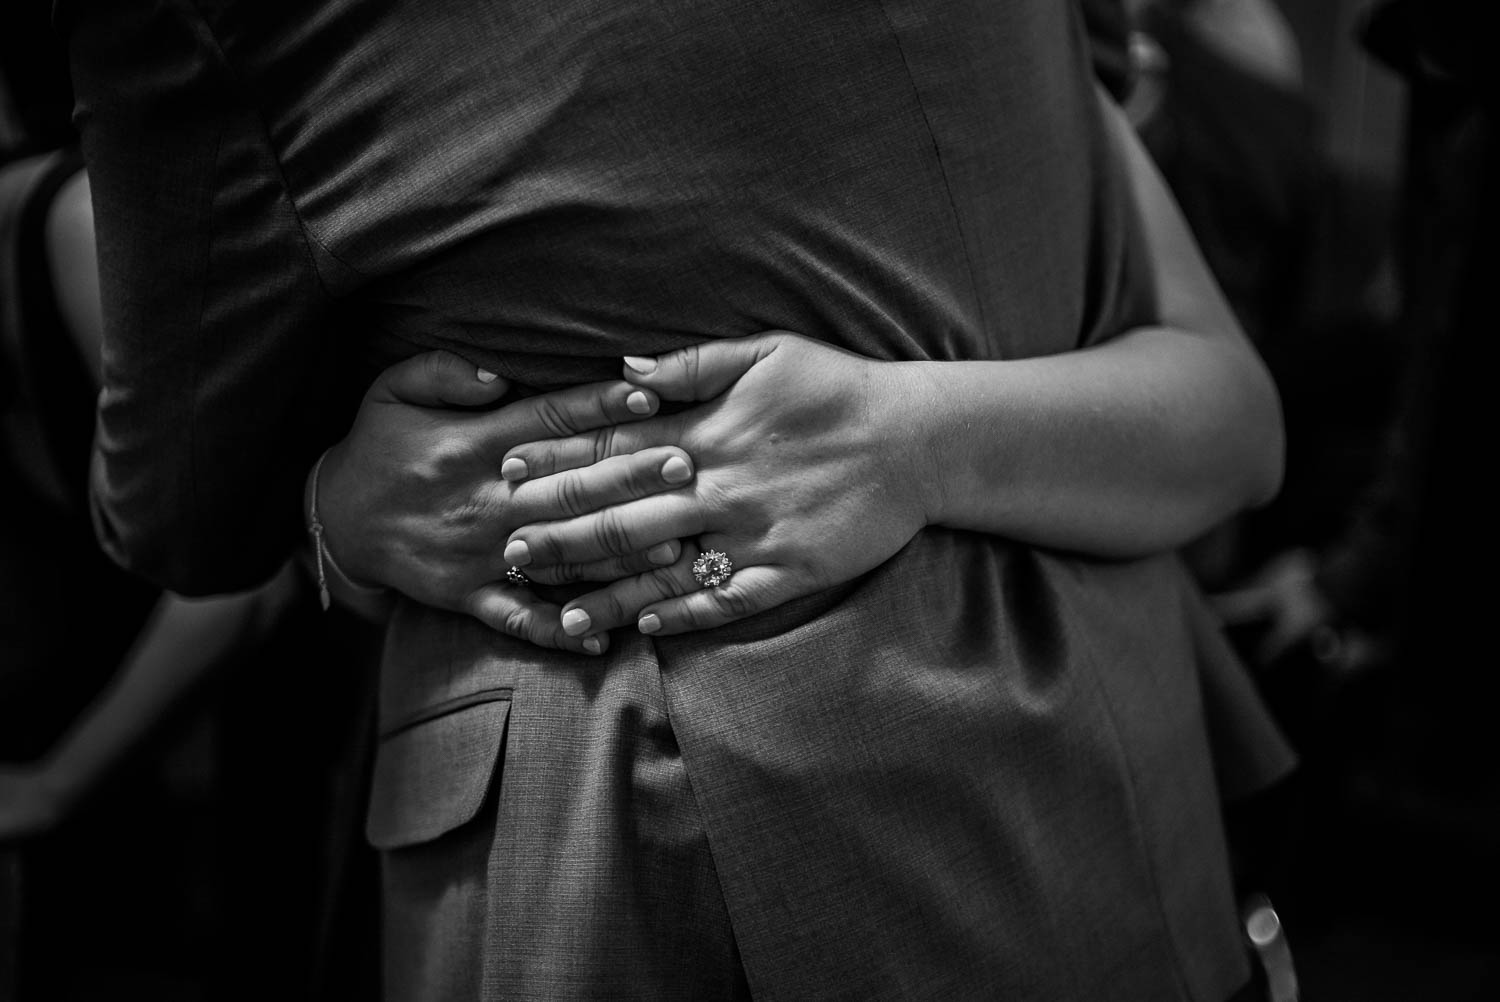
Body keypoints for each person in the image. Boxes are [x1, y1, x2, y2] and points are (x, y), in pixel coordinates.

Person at [61, 0, 1290, 997]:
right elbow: (1232, 405)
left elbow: (178, 509)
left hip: (650, 857)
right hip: (1124, 803)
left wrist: (339, 500)